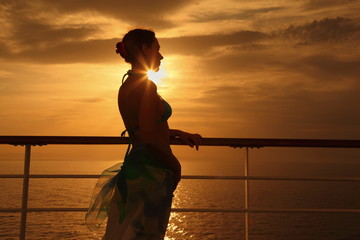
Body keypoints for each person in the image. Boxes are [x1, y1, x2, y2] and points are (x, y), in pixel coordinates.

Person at [85, 28, 202, 240]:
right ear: (146, 49)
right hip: (152, 170)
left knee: (126, 233)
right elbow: (148, 137)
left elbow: (142, 129)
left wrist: (176, 133)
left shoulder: (127, 86)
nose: (161, 56)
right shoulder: (146, 86)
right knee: (145, 235)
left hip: (136, 169)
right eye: (157, 49)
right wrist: (176, 166)